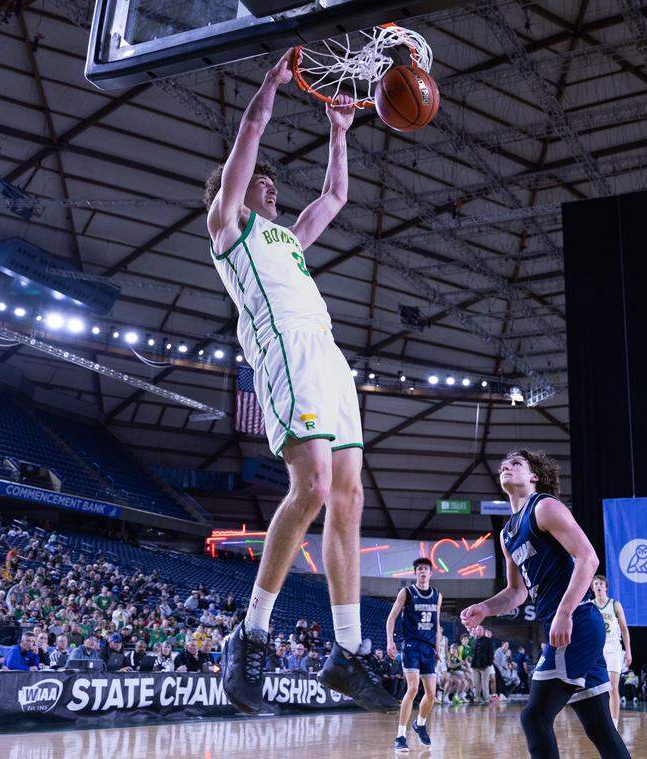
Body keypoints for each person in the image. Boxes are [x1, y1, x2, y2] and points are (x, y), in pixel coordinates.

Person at [206, 50, 383, 716]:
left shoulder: (289, 241)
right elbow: (248, 139)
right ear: (233, 191)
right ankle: (250, 630)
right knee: (309, 487)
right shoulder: (229, 229)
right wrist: (271, 87)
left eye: (275, 186)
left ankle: (348, 648)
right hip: (286, 354)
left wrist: (339, 133)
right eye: (263, 185)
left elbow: (335, 197)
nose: (271, 190)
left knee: (349, 496)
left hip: (330, 357)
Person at [461, 449, 629, 758]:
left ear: (534, 476)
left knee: (534, 717)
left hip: (576, 620)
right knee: (600, 728)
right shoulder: (507, 533)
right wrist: (484, 608)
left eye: (516, 464)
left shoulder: (545, 506)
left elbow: (588, 558)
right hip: (573, 626)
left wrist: (564, 612)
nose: (506, 468)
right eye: (503, 466)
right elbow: (516, 593)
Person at [386, 556, 442, 751]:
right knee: (412, 689)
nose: (423, 572)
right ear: (415, 573)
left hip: (428, 648)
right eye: (419, 569)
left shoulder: (437, 595)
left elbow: (437, 623)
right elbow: (392, 617)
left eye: (426, 569)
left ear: (431, 573)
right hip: (411, 646)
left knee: (432, 694)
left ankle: (419, 724)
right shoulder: (407, 592)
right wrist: (390, 641)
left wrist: (438, 646)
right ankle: (400, 736)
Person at [591, 575, 632, 727]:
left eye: (601, 583)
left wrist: (628, 651)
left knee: (613, 687)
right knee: (596, 688)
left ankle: (613, 725)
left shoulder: (615, 604)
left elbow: (624, 629)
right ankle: (601, 721)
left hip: (614, 647)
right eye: (596, 584)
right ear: (592, 588)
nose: (598, 586)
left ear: (606, 587)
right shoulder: (590, 605)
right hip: (596, 648)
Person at [472, 627, 495, 704]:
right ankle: (476, 699)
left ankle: (486, 699)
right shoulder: (474, 640)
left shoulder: (488, 640)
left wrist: (489, 663)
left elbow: (491, 653)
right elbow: (473, 653)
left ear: (483, 631)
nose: (478, 631)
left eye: (480, 630)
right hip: (475, 666)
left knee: (485, 684)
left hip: (485, 665)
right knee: (476, 683)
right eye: (477, 630)